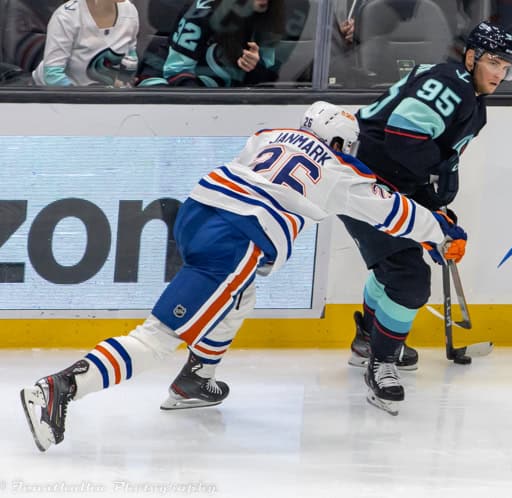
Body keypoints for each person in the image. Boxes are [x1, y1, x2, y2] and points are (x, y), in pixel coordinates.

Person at [20, 101, 468, 451]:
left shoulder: (267, 135)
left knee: (241, 295)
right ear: (338, 141)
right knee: (159, 334)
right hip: (236, 237)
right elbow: (395, 212)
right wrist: (442, 233)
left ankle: (196, 379)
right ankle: (60, 388)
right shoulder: (339, 168)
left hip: (197, 213)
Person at [340, 22, 512, 375]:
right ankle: (382, 360)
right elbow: (403, 137)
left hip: (376, 180)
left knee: (395, 263)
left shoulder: (468, 93)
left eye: (506, 67)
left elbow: (409, 157)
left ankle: (367, 340)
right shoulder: (453, 84)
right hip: (362, 183)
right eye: (494, 62)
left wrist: (434, 209)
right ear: (471, 57)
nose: (500, 73)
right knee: (408, 277)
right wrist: (434, 195)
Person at [138, 0, 285, 87]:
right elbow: (176, 71)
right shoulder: (202, 10)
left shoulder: (270, 17)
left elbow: (267, 82)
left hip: (222, 93)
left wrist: (254, 68)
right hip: (164, 80)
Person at [32, 0, 140, 87]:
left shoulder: (130, 11)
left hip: (107, 98)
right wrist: (83, 101)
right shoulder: (66, 17)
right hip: (54, 99)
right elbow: (52, 75)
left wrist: (123, 83)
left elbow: (130, 55)